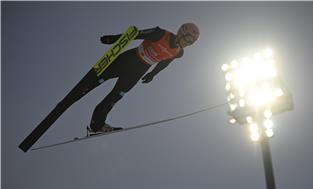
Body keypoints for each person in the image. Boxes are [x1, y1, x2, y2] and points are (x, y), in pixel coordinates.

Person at [18, 23, 200, 152]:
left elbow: (165, 63)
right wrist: (114, 38)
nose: (188, 43)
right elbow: (136, 34)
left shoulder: (179, 53)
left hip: (138, 72)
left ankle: (97, 124)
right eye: (188, 39)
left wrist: (153, 74)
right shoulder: (161, 34)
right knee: (96, 81)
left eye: (192, 42)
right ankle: (74, 97)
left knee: (115, 97)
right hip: (128, 59)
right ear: (181, 32)